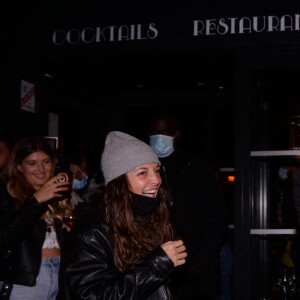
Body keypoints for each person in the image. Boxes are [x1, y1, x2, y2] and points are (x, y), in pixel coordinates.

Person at [57, 131, 187, 299]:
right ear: (119, 181)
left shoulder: (150, 217)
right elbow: (90, 296)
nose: (156, 179)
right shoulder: (91, 232)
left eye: (156, 170)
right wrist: (157, 266)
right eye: (142, 172)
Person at [148, 114, 226, 300]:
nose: (160, 137)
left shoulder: (197, 168)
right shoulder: (144, 169)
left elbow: (216, 220)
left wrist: (197, 265)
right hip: (157, 268)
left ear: (177, 134)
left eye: (166, 132)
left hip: (195, 271)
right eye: (155, 132)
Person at [0, 137, 73, 300]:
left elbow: (68, 232)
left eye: (46, 162)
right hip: (25, 281)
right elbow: (7, 237)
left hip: (58, 275)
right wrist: (36, 201)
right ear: (19, 167)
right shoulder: (7, 195)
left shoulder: (57, 194)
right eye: (32, 163)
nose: (41, 169)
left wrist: (71, 227)